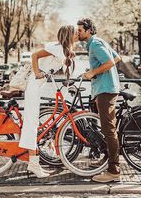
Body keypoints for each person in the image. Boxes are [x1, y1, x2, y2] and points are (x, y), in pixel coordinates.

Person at [18, 25, 78, 178]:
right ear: (69, 35)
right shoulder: (57, 49)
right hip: (33, 85)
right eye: (75, 33)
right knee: (31, 123)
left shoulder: (63, 51)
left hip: (39, 86)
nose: (77, 34)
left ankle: (34, 162)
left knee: (36, 123)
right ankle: (33, 165)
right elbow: (34, 55)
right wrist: (37, 73)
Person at [77, 18, 121, 183]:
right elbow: (117, 58)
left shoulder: (95, 44)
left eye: (80, 30)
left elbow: (110, 62)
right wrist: (96, 70)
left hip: (105, 89)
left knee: (109, 130)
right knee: (107, 128)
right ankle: (109, 159)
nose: (78, 33)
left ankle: (114, 170)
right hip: (106, 88)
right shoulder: (98, 42)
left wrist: (93, 73)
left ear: (88, 31)